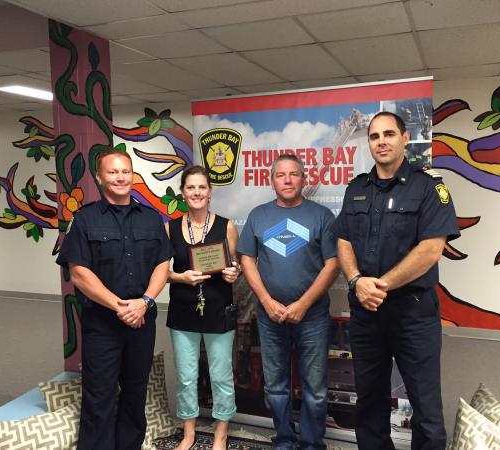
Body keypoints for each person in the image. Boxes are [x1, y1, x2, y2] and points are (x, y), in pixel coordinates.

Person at [334, 112, 460, 450]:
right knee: (369, 403)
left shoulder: (428, 187)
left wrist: (379, 286)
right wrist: (356, 279)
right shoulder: (356, 188)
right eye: (374, 136)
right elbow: (343, 239)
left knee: (426, 407)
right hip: (366, 315)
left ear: (405, 138)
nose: (381, 142)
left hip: (412, 314)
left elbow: (431, 249)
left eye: (389, 134)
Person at [56, 149, 174, 450]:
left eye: (125, 171)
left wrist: (144, 302)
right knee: (99, 396)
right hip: (102, 324)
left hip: (142, 320)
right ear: (99, 177)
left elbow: (162, 264)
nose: (121, 177)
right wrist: (119, 306)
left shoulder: (151, 218)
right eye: (113, 172)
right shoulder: (85, 219)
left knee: (135, 393)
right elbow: (79, 274)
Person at [237, 154, 339, 450]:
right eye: (281, 175)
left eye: (294, 174)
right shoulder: (258, 216)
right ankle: (283, 440)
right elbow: (247, 260)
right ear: (272, 181)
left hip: (313, 316)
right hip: (270, 316)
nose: (287, 180)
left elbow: (333, 264)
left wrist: (303, 304)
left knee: (315, 388)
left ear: (303, 179)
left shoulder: (322, 216)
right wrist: (267, 301)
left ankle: (311, 444)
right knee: (275, 386)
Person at [166, 165, 241, 450]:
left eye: (202, 187)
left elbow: (234, 265)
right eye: (191, 187)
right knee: (186, 378)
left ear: (210, 192)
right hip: (183, 312)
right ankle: (189, 433)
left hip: (218, 311)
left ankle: (221, 433)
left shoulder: (226, 226)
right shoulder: (170, 228)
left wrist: (234, 272)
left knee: (221, 376)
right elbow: (161, 273)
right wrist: (180, 277)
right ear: (183, 192)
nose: (196, 192)